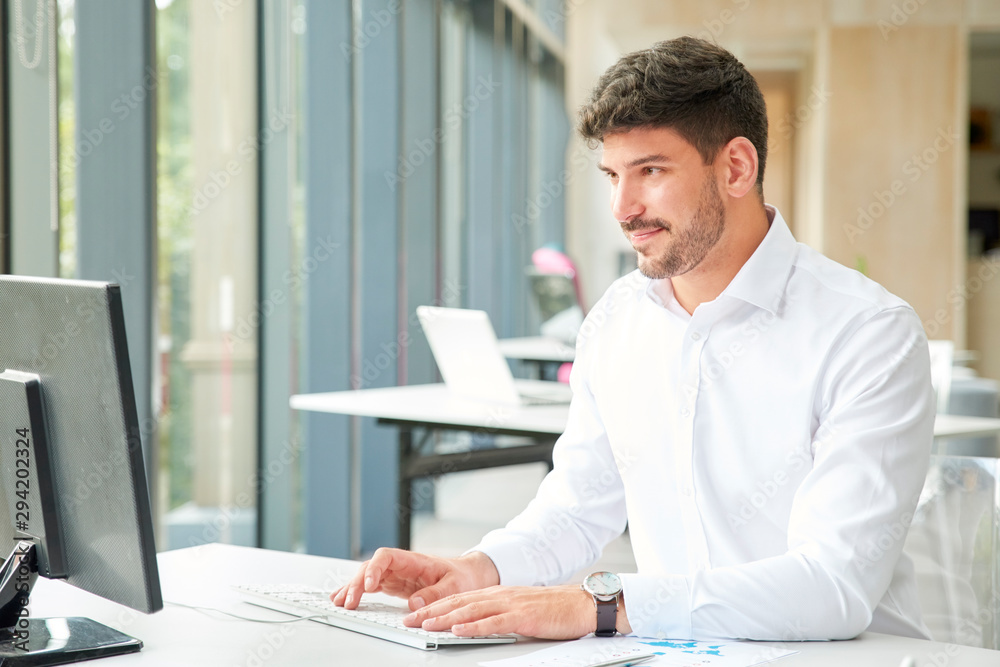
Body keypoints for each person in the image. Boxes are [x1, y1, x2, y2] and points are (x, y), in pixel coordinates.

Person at [333, 36, 935, 642]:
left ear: (735, 167)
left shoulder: (866, 333)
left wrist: (601, 605)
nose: (623, 207)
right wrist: (476, 569)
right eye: (612, 175)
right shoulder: (619, 319)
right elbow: (575, 508)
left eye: (650, 170)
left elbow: (833, 586)